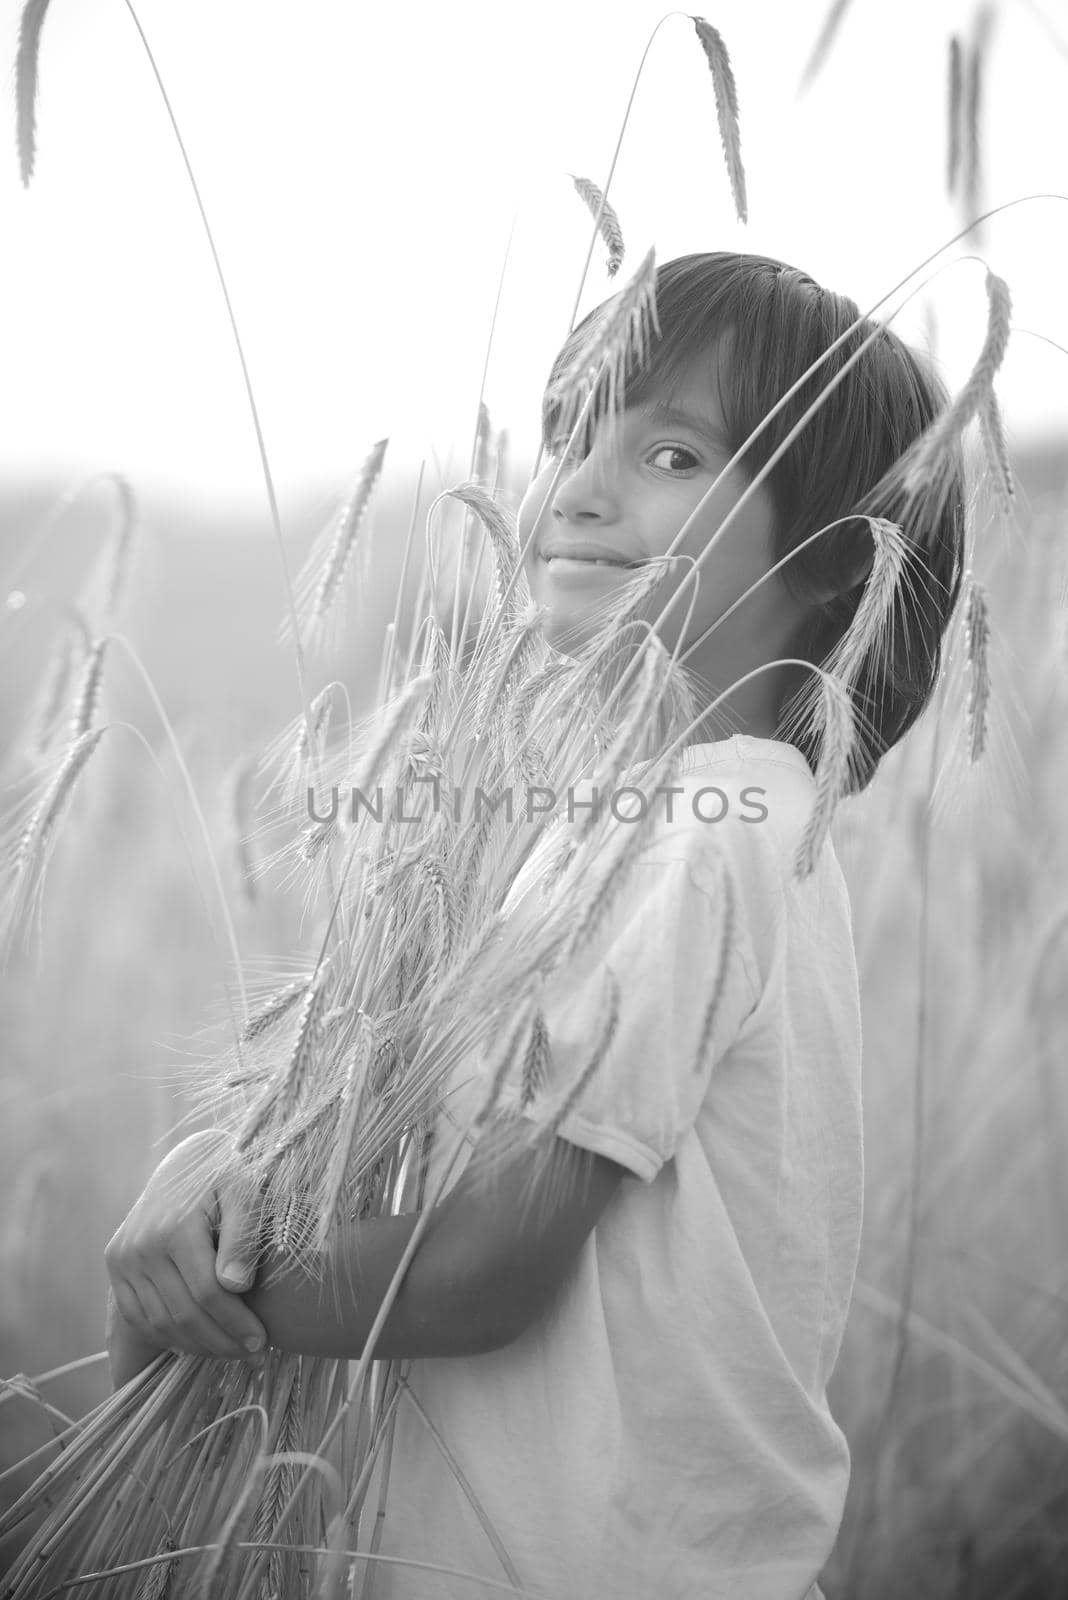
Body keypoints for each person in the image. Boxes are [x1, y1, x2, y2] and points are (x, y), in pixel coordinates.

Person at [104, 252, 966, 1599]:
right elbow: (394, 1142)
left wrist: (206, 1302)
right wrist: (233, 1176)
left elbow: (490, 1264)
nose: (576, 485)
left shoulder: (712, 822)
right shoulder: (624, 830)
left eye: (672, 454)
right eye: (571, 434)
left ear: (836, 561)